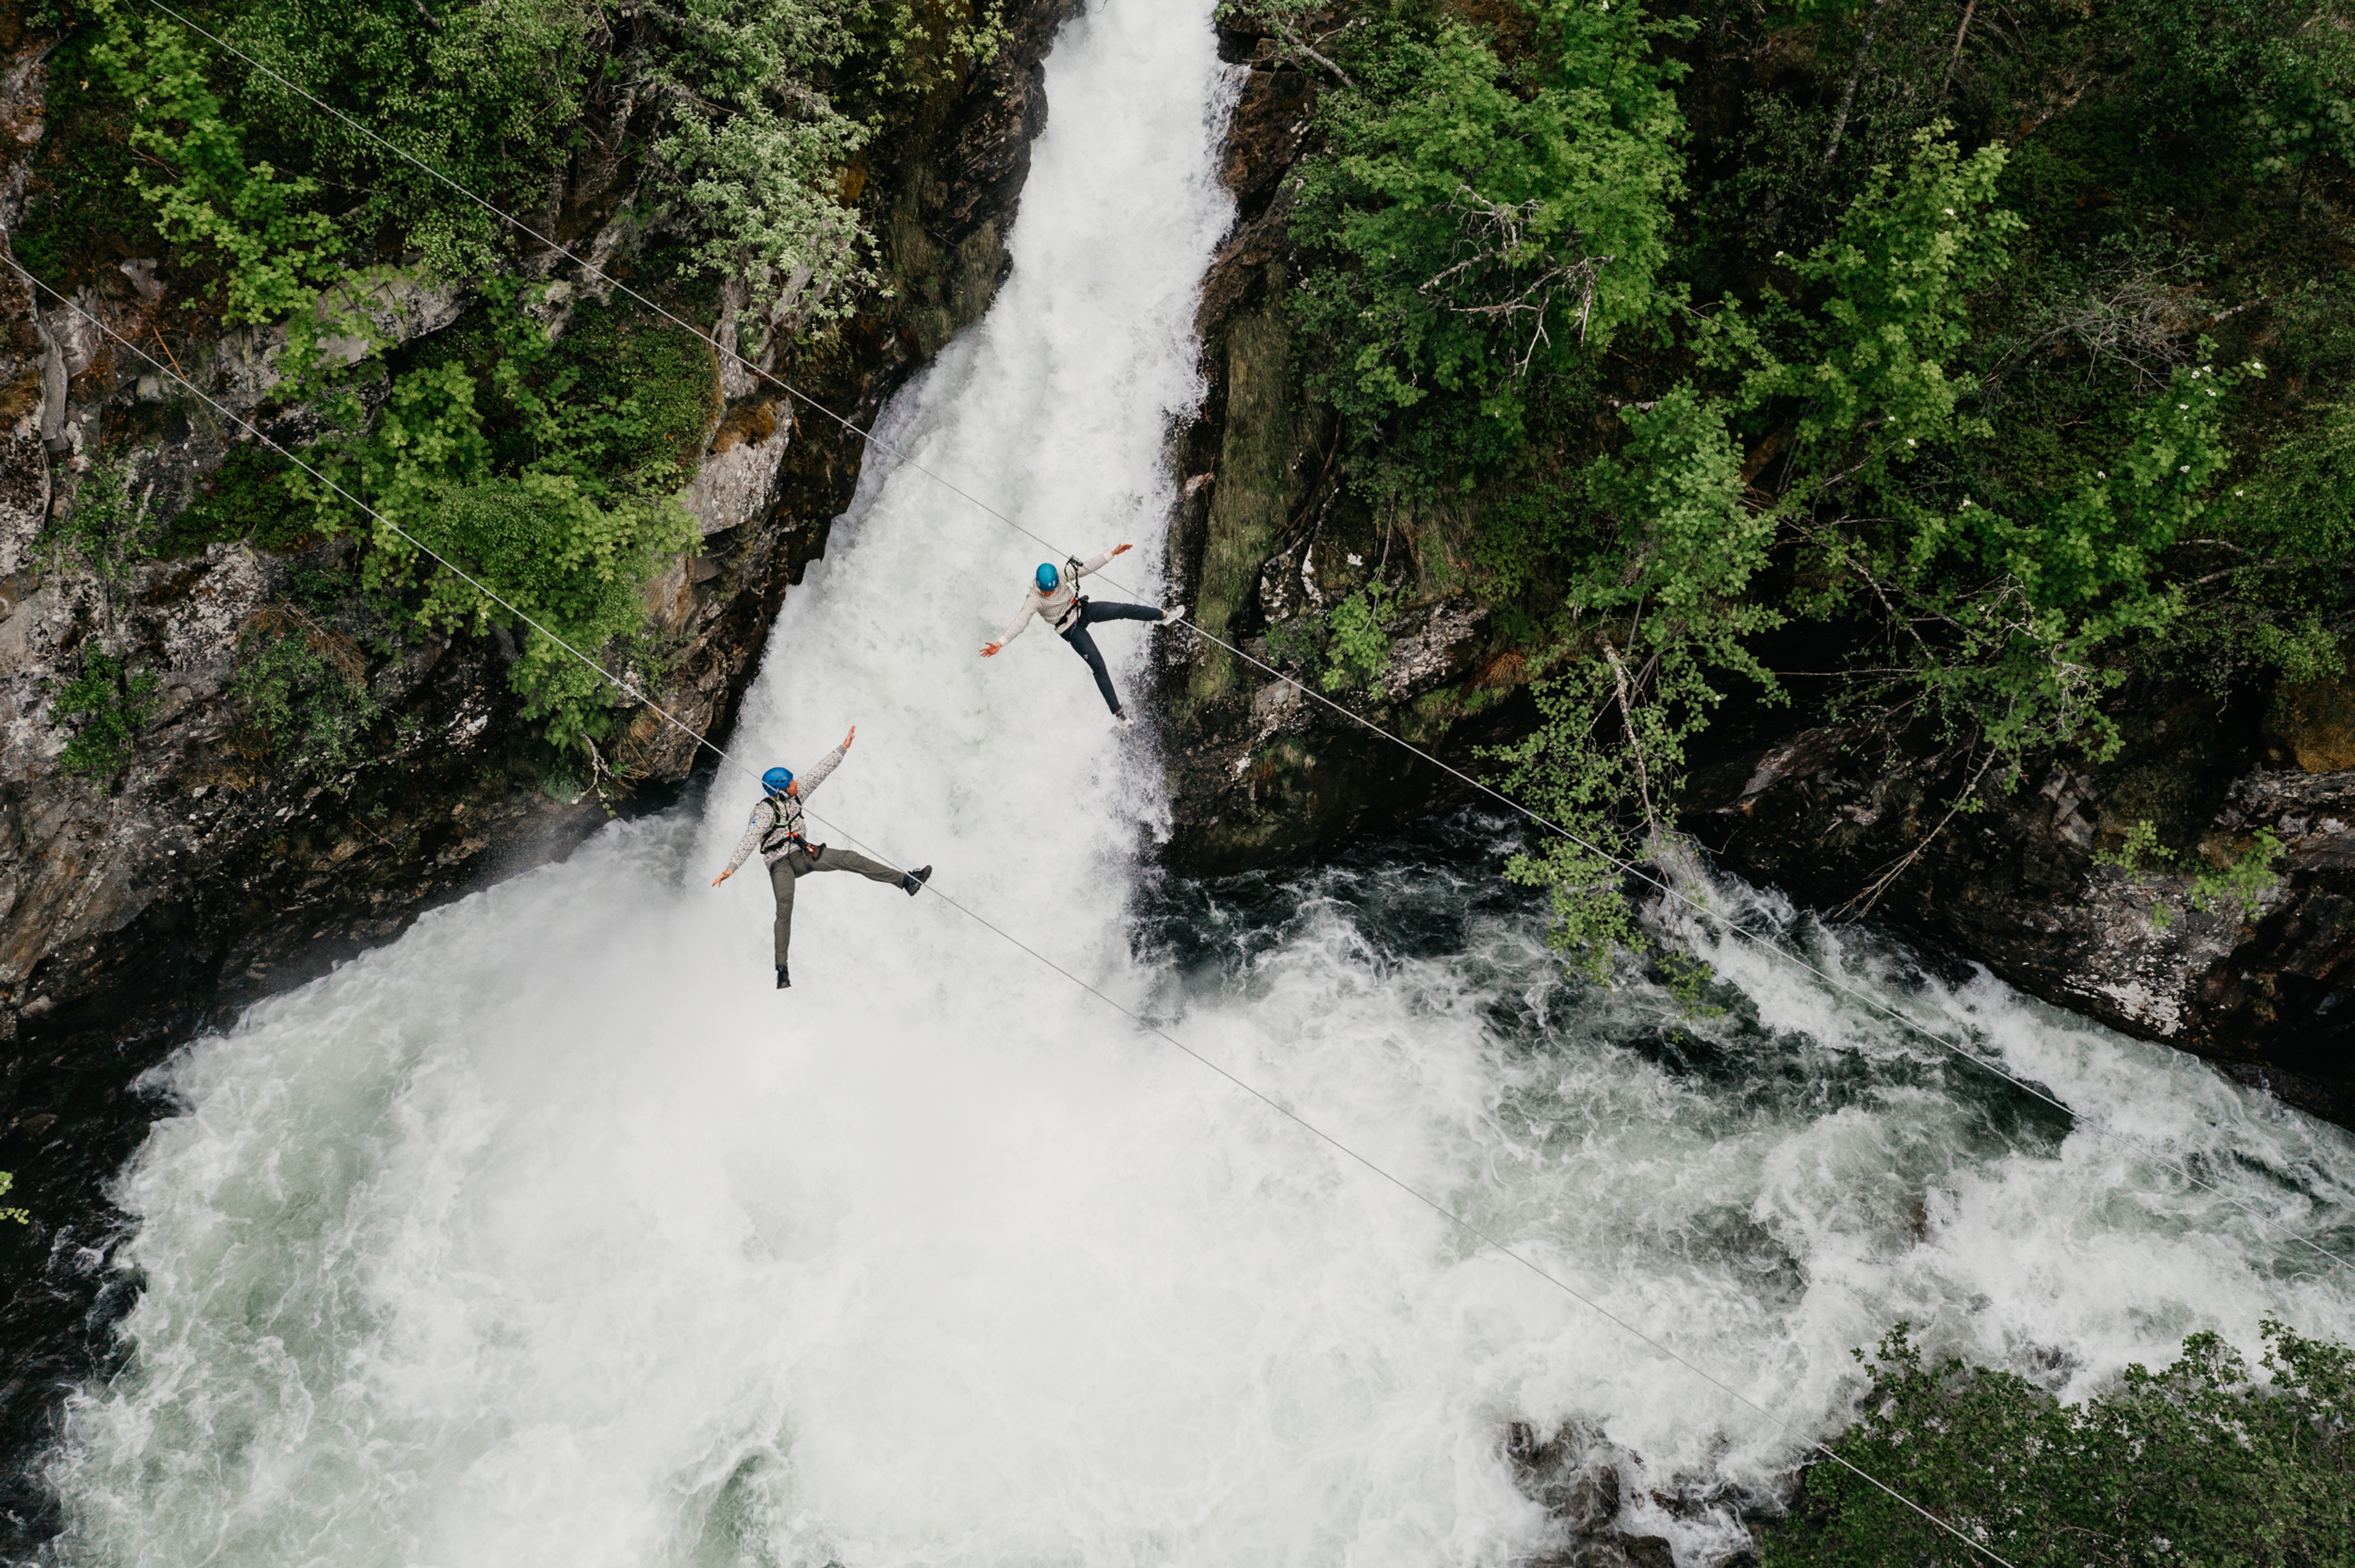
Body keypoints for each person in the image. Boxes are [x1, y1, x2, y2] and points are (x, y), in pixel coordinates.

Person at [710, 726, 932, 989]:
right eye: (791, 783)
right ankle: (782, 970)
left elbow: (820, 772)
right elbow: (749, 839)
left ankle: (906, 882)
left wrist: (843, 748)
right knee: (785, 907)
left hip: (804, 854)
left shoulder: (797, 793)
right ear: (780, 790)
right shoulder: (764, 812)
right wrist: (730, 868)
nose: (797, 784)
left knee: (850, 859)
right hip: (780, 864)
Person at [979, 543, 1184, 727]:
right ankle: (1119, 714)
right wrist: (1001, 642)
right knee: (1098, 665)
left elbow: (1086, 567)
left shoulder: (1060, 575)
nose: (1049, 595)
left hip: (1082, 610)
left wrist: (1112, 553)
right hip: (1070, 629)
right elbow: (1022, 619)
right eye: (1046, 593)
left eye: (1051, 591)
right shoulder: (1035, 598)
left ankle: (1164, 615)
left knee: (1123, 609)